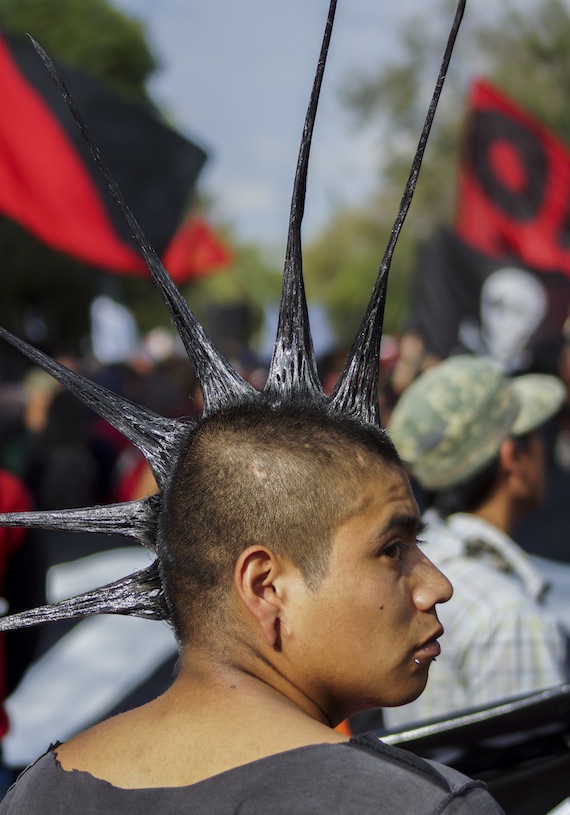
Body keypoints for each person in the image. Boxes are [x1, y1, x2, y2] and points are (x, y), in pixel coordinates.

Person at [0, 402, 505, 813]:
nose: (437, 586)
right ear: (265, 587)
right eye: (393, 549)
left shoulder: (39, 792)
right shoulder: (424, 806)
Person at [384, 354, 568, 729]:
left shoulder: (412, 570)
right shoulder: (509, 616)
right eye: (535, 437)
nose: (542, 452)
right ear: (512, 457)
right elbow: (535, 780)